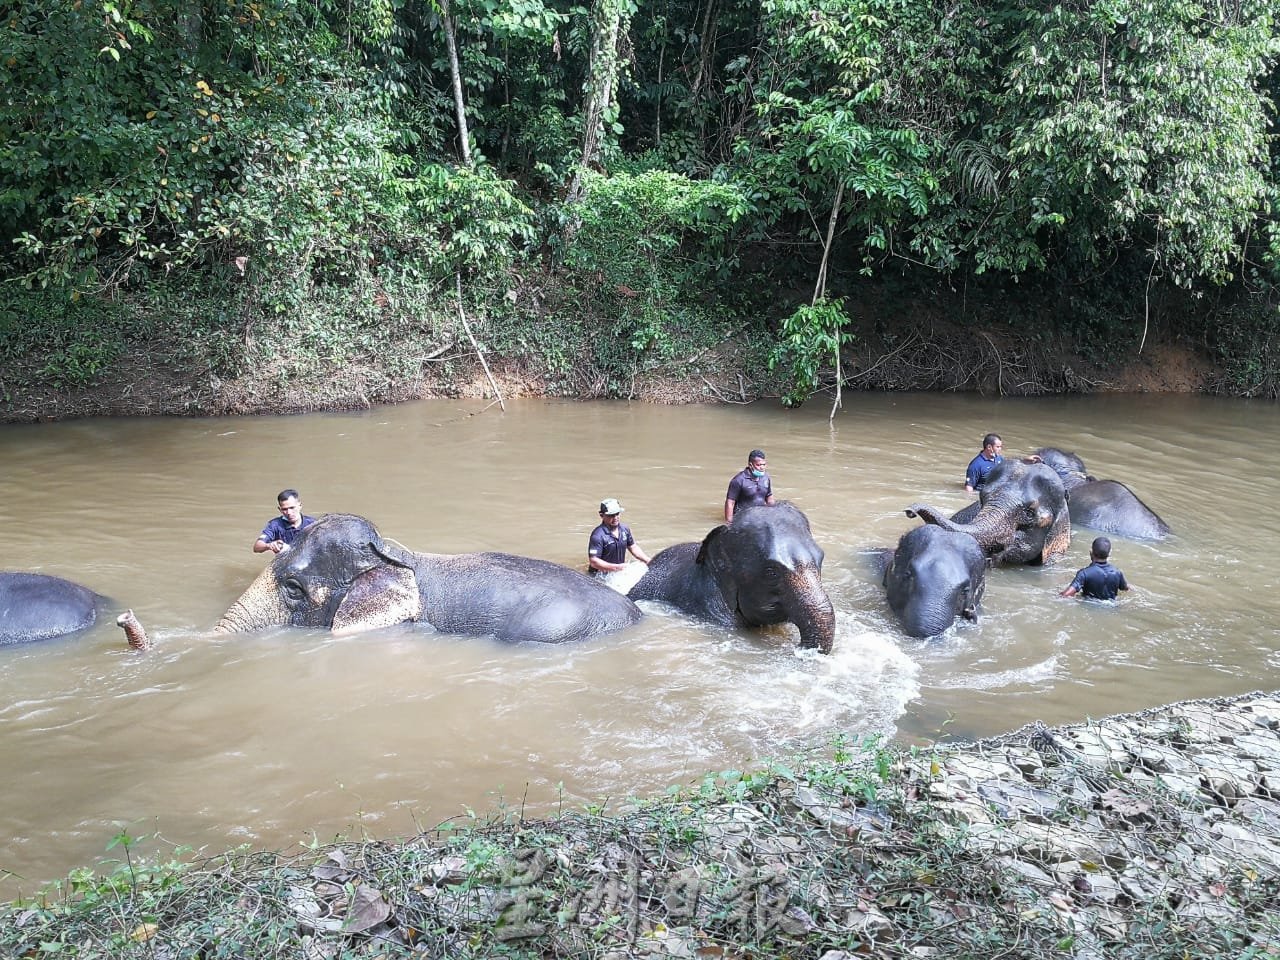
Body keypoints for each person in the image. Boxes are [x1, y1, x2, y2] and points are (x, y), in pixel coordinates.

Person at [588, 498, 651, 574]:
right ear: (602, 515)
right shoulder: (597, 536)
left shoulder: (625, 529)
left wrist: (648, 561)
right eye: (611, 515)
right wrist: (618, 567)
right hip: (599, 576)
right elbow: (594, 562)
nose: (615, 518)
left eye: (617, 514)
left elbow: (633, 547)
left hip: (618, 572)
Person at [1060, 536, 1130, 600]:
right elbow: (1126, 589)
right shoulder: (1117, 573)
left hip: (1088, 609)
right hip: (1111, 608)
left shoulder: (1084, 573)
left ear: (1091, 552)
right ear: (1109, 554)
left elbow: (1066, 595)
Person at [253, 488, 316, 555]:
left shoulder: (313, 524)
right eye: (284, 509)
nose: (289, 512)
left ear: (300, 505)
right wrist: (269, 545)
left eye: (292, 508)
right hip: (285, 562)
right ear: (280, 509)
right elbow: (257, 547)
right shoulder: (275, 525)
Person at [725, 449, 776, 523]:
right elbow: (730, 502)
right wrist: (729, 523)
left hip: (760, 516)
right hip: (743, 518)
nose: (762, 467)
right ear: (750, 465)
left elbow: (769, 496)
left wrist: (774, 513)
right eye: (758, 465)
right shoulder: (738, 480)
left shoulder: (766, 477)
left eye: (764, 464)